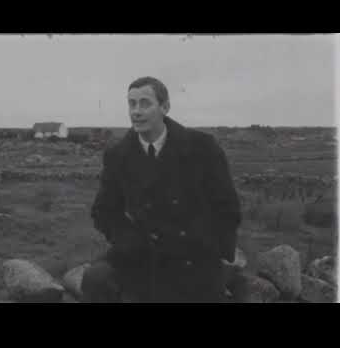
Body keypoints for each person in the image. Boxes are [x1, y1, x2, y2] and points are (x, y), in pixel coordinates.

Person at [82, 76, 245, 303]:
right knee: (96, 278)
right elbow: (104, 212)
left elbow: (227, 209)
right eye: (132, 104)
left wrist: (213, 251)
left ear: (165, 107)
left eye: (145, 103)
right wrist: (129, 241)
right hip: (140, 254)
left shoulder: (202, 148)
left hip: (193, 254)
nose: (136, 112)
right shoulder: (118, 155)